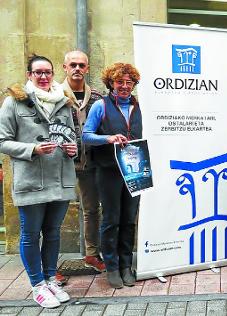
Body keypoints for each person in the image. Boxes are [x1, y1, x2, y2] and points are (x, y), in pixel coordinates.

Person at [0, 55, 76, 308]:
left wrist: (73, 149)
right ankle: (38, 285)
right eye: (38, 72)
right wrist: (32, 149)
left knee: (53, 233)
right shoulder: (14, 102)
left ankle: (50, 279)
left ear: (53, 74)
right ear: (29, 74)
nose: (44, 77)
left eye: (48, 72)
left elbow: (71, 135)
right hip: (31, 180)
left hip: (60, 178)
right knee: (31, 234)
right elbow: (2, 141)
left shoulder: (64, 102)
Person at [82, 62, 142, 289]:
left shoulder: (138, 106)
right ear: (111, 83)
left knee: (129, 219)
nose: (125, 86)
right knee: (111, 220)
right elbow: (86, 135)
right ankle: (112, 266)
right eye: (120, 82)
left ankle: (127, 265)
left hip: (134, 170)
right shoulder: (101, 106)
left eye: (129, 82)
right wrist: (107, 138)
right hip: (108, 171)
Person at [60, 51, 105, 277]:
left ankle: (92, 254)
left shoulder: (96, 96)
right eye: (73, 65)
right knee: (53, 211)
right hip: (59, 163)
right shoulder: (54, 95)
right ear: (65, 67)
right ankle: (48, 264)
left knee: (91, 210)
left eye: (81, 65)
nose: (77, 68)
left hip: (90, 163)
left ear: (87, 68)